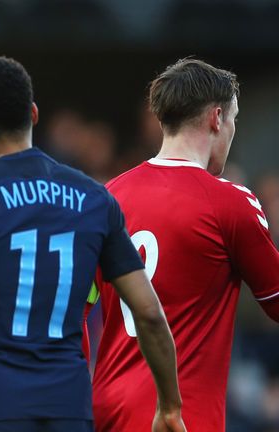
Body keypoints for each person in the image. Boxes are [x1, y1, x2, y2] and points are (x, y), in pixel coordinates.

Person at [0, 56, 186, 432]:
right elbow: (150, 314)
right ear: (34, 114)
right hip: (68, 407)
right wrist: (170, 405)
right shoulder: (94, 197)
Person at [92, 58, 279, 431]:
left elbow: (81, 308)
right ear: (216, 119)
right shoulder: (230, 202)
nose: (232, 131)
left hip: (107, 411)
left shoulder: (108, 197)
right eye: (234, 120)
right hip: (182, 417)